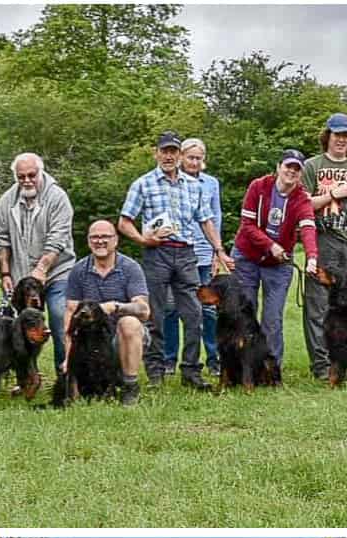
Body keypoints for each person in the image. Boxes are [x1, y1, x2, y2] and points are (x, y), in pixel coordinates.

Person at [118, 131, 233, 391]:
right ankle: (156, 372)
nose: (169, 156)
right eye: (164, 151)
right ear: (156, 153)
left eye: (173, 152)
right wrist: (143, 239)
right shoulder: (143, 184)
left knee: (194, 314)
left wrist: (219, 250)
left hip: (186, 254)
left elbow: (205, 220)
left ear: (180, 155)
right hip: (156, 254)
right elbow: (124, 222)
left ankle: (191, 371)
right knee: (155, 315)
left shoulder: (194, 186)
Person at [301, 113, 347, 379]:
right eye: (337, 135)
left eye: (346, 136)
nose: (341, 140)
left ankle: (345, 363)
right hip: (323, 240)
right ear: (328, 137)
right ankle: (321, 365)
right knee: (318, 304)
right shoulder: (311, 166)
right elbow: (303, 204)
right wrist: (332, 194)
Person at [233, 150, 319, 373]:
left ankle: (271, 370)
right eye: (288, 166)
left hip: (279, 265)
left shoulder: (302, 197)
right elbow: (247, 225)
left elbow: (308, 227)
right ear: (279, 166)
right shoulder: (258, 187)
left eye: (297, 168)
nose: (292, 171)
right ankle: (243, 367)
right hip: (247, 257)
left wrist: (312, 257)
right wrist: (270, 245)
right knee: (245, 312)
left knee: (273, 318)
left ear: (301, 174)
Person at [0, 152, 76, 378]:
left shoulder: (58, 197)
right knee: (22, 329)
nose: (27, 180)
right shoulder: (7, 200)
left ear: (41, 172)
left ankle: (65, 373)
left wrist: (41, 270)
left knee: (60, 317)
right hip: (22, 276)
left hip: (58, 272)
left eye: (32, 175)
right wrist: (6, 272)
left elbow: (58, 239)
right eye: (21, 177)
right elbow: (0, 238)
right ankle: (27, 376)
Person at [62, 217, 151, 406]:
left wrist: (117, 306)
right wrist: (67, 357)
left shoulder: (130, 268)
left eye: (105, 236)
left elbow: (144, 310)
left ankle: (130, 386)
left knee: (129, 323)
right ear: (88, 241)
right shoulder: (78, 270)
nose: (99, 241)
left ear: (116, 240)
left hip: (122, 337)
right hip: (92, 338)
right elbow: (71, 314)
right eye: (94, 237)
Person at [160, 138, 222, 375]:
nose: (194, 162)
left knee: (207, 309)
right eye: (190, 157)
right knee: (171, 307)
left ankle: (213, 358)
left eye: (198, 158)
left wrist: (217, 252)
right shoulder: (170, 182)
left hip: (204, 254)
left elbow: (215, 217)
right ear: (181, 157)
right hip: (175, 252)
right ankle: (169, 358)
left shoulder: (211, 184)